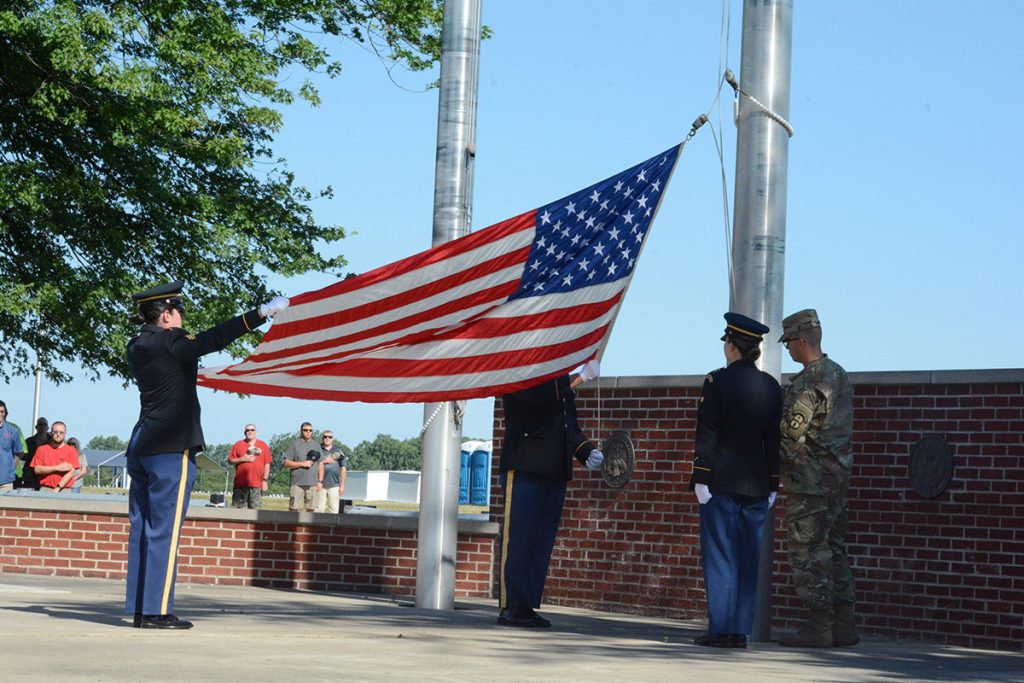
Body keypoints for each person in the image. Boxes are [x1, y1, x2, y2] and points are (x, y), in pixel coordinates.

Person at [125, 279, 288, 630]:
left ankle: (141, 607)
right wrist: (259, 314)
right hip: (170, 446)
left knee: (142, 529)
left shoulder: (137, 344)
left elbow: (175, 370)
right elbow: (213, 339)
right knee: (164, 532)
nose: (183, 318)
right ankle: (156, 611)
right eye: (179, 311)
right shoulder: (172, 342)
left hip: (142, 443)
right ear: (167, 315)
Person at [689, 313, 782, 649]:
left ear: (731, 346)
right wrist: (774, 483)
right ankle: (740, 630)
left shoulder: (717, 383)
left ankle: (721, 629)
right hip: (757, 483)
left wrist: (700, 476)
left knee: (720, 555)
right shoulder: (771, 387)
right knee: (747, 558)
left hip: (722, 481)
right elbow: (773, 440)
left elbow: (708, 433)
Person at [497, 361, 604, 628]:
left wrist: (585, 450)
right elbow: (537, 398)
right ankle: (511, 605)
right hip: (525, 464)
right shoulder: (519, 369)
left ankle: (526, 604)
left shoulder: (558, 378)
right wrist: (578, 379)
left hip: (553, 467)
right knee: (519, 539)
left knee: (540, 541)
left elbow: (567, 424)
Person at [777, 309, 858, 648]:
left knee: (810, 553)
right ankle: (844, 626)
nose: (788, 351)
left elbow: (791, 435)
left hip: (809, 484)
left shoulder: (810, 383)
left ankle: (819, 628)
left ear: (801, 340)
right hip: (837, 482)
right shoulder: (839, 375)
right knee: (836, 551)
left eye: (789, 344)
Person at [228, 424, 272, 509]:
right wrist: (242, 459)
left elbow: (267, 464)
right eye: (247, 430)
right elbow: (230, 460)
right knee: (240, 511)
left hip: (256, 484)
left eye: (252, 430)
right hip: (240, 484)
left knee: (255, 511)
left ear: (256, 432)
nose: (250, 432)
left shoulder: (263, 445)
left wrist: (265, 480)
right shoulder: (238, 444)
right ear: (244, 433)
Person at [31, 421, 80, 492]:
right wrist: (56, 468)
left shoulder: (71, 451)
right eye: (55, 432)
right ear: (51, 433)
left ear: (65, 434)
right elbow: (37, 469)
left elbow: (71, 472)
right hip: (45, 488)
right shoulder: (42, 449)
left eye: (61, 432)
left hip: (64, 489)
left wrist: (58, 487)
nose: (58, 434)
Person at [283, 422, 318, 512]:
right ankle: (292, 526)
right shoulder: (294, 444)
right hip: (297, 482)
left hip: (312, 483)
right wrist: (302, 464)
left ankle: (309, 526)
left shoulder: (316, 445)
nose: (308, 432)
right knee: (293, 509)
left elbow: (321, 463)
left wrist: (320, 481)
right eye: (305, 430)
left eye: (310, 430)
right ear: (301, 431)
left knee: (311, 510)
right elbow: (286, 463)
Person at [315, 430, 347, 514]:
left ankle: (332, 527)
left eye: (329, 437)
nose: (327, 438)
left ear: (332, 439)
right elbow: (312, 464)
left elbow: (343, 468)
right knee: (318, 509)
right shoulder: (317, 449)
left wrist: (342, 485)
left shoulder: (338, 451)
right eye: (325, 436)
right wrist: (325, 461)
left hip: (334, 485)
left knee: (334, 510)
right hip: (320, 485)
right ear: (322, 438)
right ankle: (317, 527)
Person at [16, 416, 47, 489]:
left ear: (47, 428)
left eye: (44, 424)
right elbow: (22, 456)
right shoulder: (29, 441)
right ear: (36, 427)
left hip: (46, 476)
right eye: (40, 424)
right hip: (30, 476)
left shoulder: (51, 442)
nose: (42, 426)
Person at [0, 400, 26, 491]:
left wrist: (11, 467)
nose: (0, 414)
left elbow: (19, 452)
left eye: (2, 411)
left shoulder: (13, 431)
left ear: (5, 413)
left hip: (6, 481)